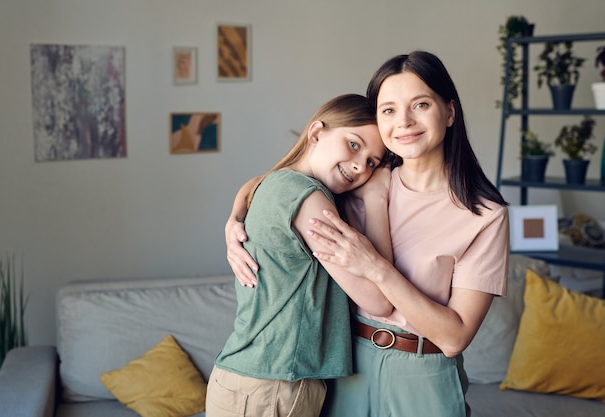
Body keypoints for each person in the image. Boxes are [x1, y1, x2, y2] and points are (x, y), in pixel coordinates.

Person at [225, 51, 509, 417]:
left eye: (420, 104)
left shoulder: (484, 216)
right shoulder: (361, 177)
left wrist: (376, 268)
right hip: (346, 368)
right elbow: (281, 181)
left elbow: (455, 338)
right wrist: (234, 219)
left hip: (424, 373)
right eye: (388, 110)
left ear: (450, 112)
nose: (404, 121)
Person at [206, 93, 393, 417]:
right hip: (273, 387)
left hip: (249, 382)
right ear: (317, 132)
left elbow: (252, 183)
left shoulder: (278, 184)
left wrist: (234, 215)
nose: (361, 165)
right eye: (354, 144)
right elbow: (379, 300)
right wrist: (377, 198)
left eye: (373, 162)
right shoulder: (309, 200)